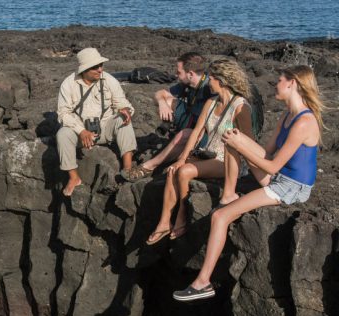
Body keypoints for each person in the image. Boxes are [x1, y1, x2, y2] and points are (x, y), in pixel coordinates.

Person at [173, 65, 323, 302]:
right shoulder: (287, 116)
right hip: (278, 175)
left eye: (279, 80)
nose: (275, 84)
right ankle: (229, 194)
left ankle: (203, 283)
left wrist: (242, 147)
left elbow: (272, 166)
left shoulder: (304, 122)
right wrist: (238, 141)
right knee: (233, 136)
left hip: (291, 187)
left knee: (219, 217)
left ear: (292, 83)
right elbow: (268, 153)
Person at [146, 59, 253, 245]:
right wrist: (181, 158)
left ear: (222, 80)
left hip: (227, 159)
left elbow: (249, 142)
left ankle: (181, 216)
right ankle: (164, 222)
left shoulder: (240, 108)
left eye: (211, 77)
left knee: (184, 171)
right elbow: (196, 132)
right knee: (174, 169)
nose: (208, 80)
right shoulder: (211, 102)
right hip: (207, 153)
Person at [56, 47, 137, 196]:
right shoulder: (68, 84)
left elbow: (121, 102)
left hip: (105, 128)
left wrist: (124, 109)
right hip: (80, 132)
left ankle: (127, 169)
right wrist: (81, 131)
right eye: (95, 67)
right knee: (62, 133)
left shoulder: (109, 80)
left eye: (101, 66)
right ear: (84, 70)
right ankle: (74, 178)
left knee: (123, 120)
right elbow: (63, 114)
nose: (100, 70)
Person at [122, 52, 213, 181]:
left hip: (207, 132)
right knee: (168, 101)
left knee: (185, 134)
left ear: (190, 74)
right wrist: (162, 103)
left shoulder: (211, 88)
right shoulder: (189, 83)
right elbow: (160, 93)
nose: (176, 76)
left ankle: (148, 167)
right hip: (192, 120)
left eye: (179, 73)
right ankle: (173, 133)